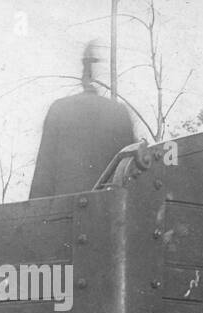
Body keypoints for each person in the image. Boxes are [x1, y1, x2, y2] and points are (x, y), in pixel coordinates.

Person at [29, 41, 137, 199]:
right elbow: (131, 175)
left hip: (64, 214)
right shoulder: (119, 113)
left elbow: (42, 180)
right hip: (108, 213)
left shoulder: (59, 109)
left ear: (83, 73)